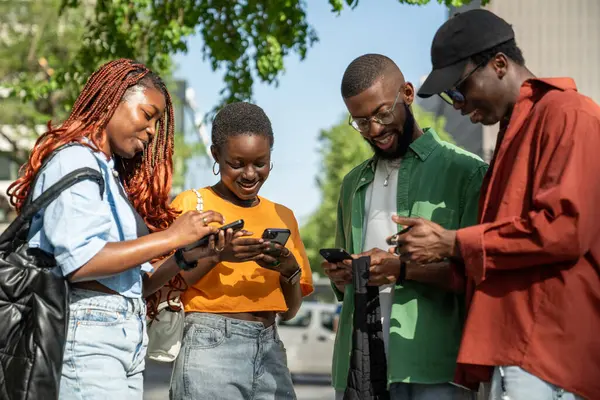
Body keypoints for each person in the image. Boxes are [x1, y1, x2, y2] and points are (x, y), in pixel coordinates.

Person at [394, 9, 600, 400]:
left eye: (459, 88)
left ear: (500, 64)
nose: (456, 105)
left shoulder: (570, 114)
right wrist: (418, 258)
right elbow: (493, 261)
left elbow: (564, 230)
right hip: (507, 351)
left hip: (548, 356)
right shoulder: (513, 134)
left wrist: (453, 242)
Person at [7, 59, 227, 399]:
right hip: (87, 336)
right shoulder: (74, 161)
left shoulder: (108, 175)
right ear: (112, 102)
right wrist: (170, 237)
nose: (153, 131)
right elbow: (82, 263)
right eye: (147, 115)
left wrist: (183, 258)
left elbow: (137, 284)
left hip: (123, 335)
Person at [323, 53, 488, 400]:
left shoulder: (466, 173)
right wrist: (342, 275)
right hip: (360, 364)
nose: (375, 130)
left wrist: (402, 270)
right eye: (361, 122)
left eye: (383, 113)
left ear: (408, 94)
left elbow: (480, 275)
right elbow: (344, 288)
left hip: (434, 367)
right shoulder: (352, 184)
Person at [168, 102, 314, 400]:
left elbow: (290, 311)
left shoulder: (283, 216)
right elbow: (167, 284)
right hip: (210, 345)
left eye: (260, 163)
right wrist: (217, 255)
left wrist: (288, 270)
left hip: (271, 345)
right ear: (216, 156)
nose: (250, 174)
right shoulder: (190, 206)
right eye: (237, 163)